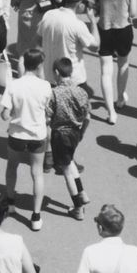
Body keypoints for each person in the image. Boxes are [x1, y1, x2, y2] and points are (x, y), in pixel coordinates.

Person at [1, 47, 53, 230]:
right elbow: (48, 111)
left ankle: (10, 203)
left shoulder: (14, 85)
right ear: (39, 65)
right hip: (38, 135)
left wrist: (13, 111)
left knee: (12, 166)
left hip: (17, 133)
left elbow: (5, 115)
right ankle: (36, 216)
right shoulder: (45, 87)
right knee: (37, 172)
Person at [90, 0, 136, 124]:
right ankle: (120, 98)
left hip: (104, 28)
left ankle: (111, 112)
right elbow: (134, 12)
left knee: (105, 71)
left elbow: (91, 1)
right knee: (123, 63)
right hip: (124, 28)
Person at [47, 56, 92, 221]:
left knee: (65, 169)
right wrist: (82, 132)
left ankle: (77, 207)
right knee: (70, 161)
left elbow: (48, 116)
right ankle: (82, 192)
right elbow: (88, 117)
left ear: (57, 73)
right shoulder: (81, 92)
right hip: (75, 133)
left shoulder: (54, 93)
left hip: (60, 134)